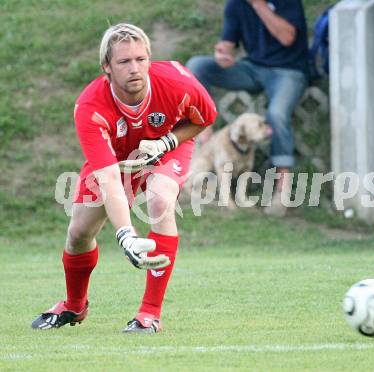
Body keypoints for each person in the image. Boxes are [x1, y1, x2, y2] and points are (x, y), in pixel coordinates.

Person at [31, 23, 217, 333]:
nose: (135, 69)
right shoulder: (90, 107)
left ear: (149, 58)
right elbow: (109, 181)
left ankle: (149, 314)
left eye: (141, 59)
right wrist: (125, 234)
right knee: (78, 233)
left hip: (166, 145)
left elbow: (205, 117)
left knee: (159, 201)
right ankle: (74, 306)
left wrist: (166, 142)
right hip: (115, 160)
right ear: (106, 67)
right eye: (124, 62)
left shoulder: (176, 81)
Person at [186, 0, 309, 217]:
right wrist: (223, 54)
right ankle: (207, 147)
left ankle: (282, 190)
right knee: (197, 66)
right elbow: (227, 44)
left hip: (289, 71)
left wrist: (258, 4)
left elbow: (287, 37)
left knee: (277, 114)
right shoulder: (236, 4)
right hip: (252, 69)